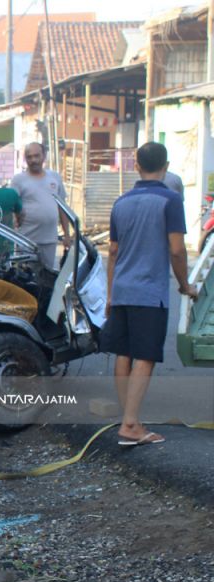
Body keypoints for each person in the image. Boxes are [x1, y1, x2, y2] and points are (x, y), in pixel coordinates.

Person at [102, 142, 200, 446]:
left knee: (124, 353)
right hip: (149, 292)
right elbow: (177, 250)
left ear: (136, 165)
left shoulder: (121, 202)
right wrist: (185, 285)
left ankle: (128, 418)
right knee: (145, 356)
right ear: (166, 165)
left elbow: (113, 252)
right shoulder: (170, 200)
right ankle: (130, 426)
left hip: (122, 290)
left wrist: (109, 295)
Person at [11, 142, 71, 274]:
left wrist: (67, 235)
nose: (33, 160)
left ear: (44, 156)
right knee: (25, 278)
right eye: (29, 157)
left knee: (47, 277)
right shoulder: (18, 180)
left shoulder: (54, 177)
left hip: (49, 239)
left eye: (36, 156)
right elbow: (12, 206)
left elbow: (62, 208)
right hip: (26, 240)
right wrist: (15, 219)